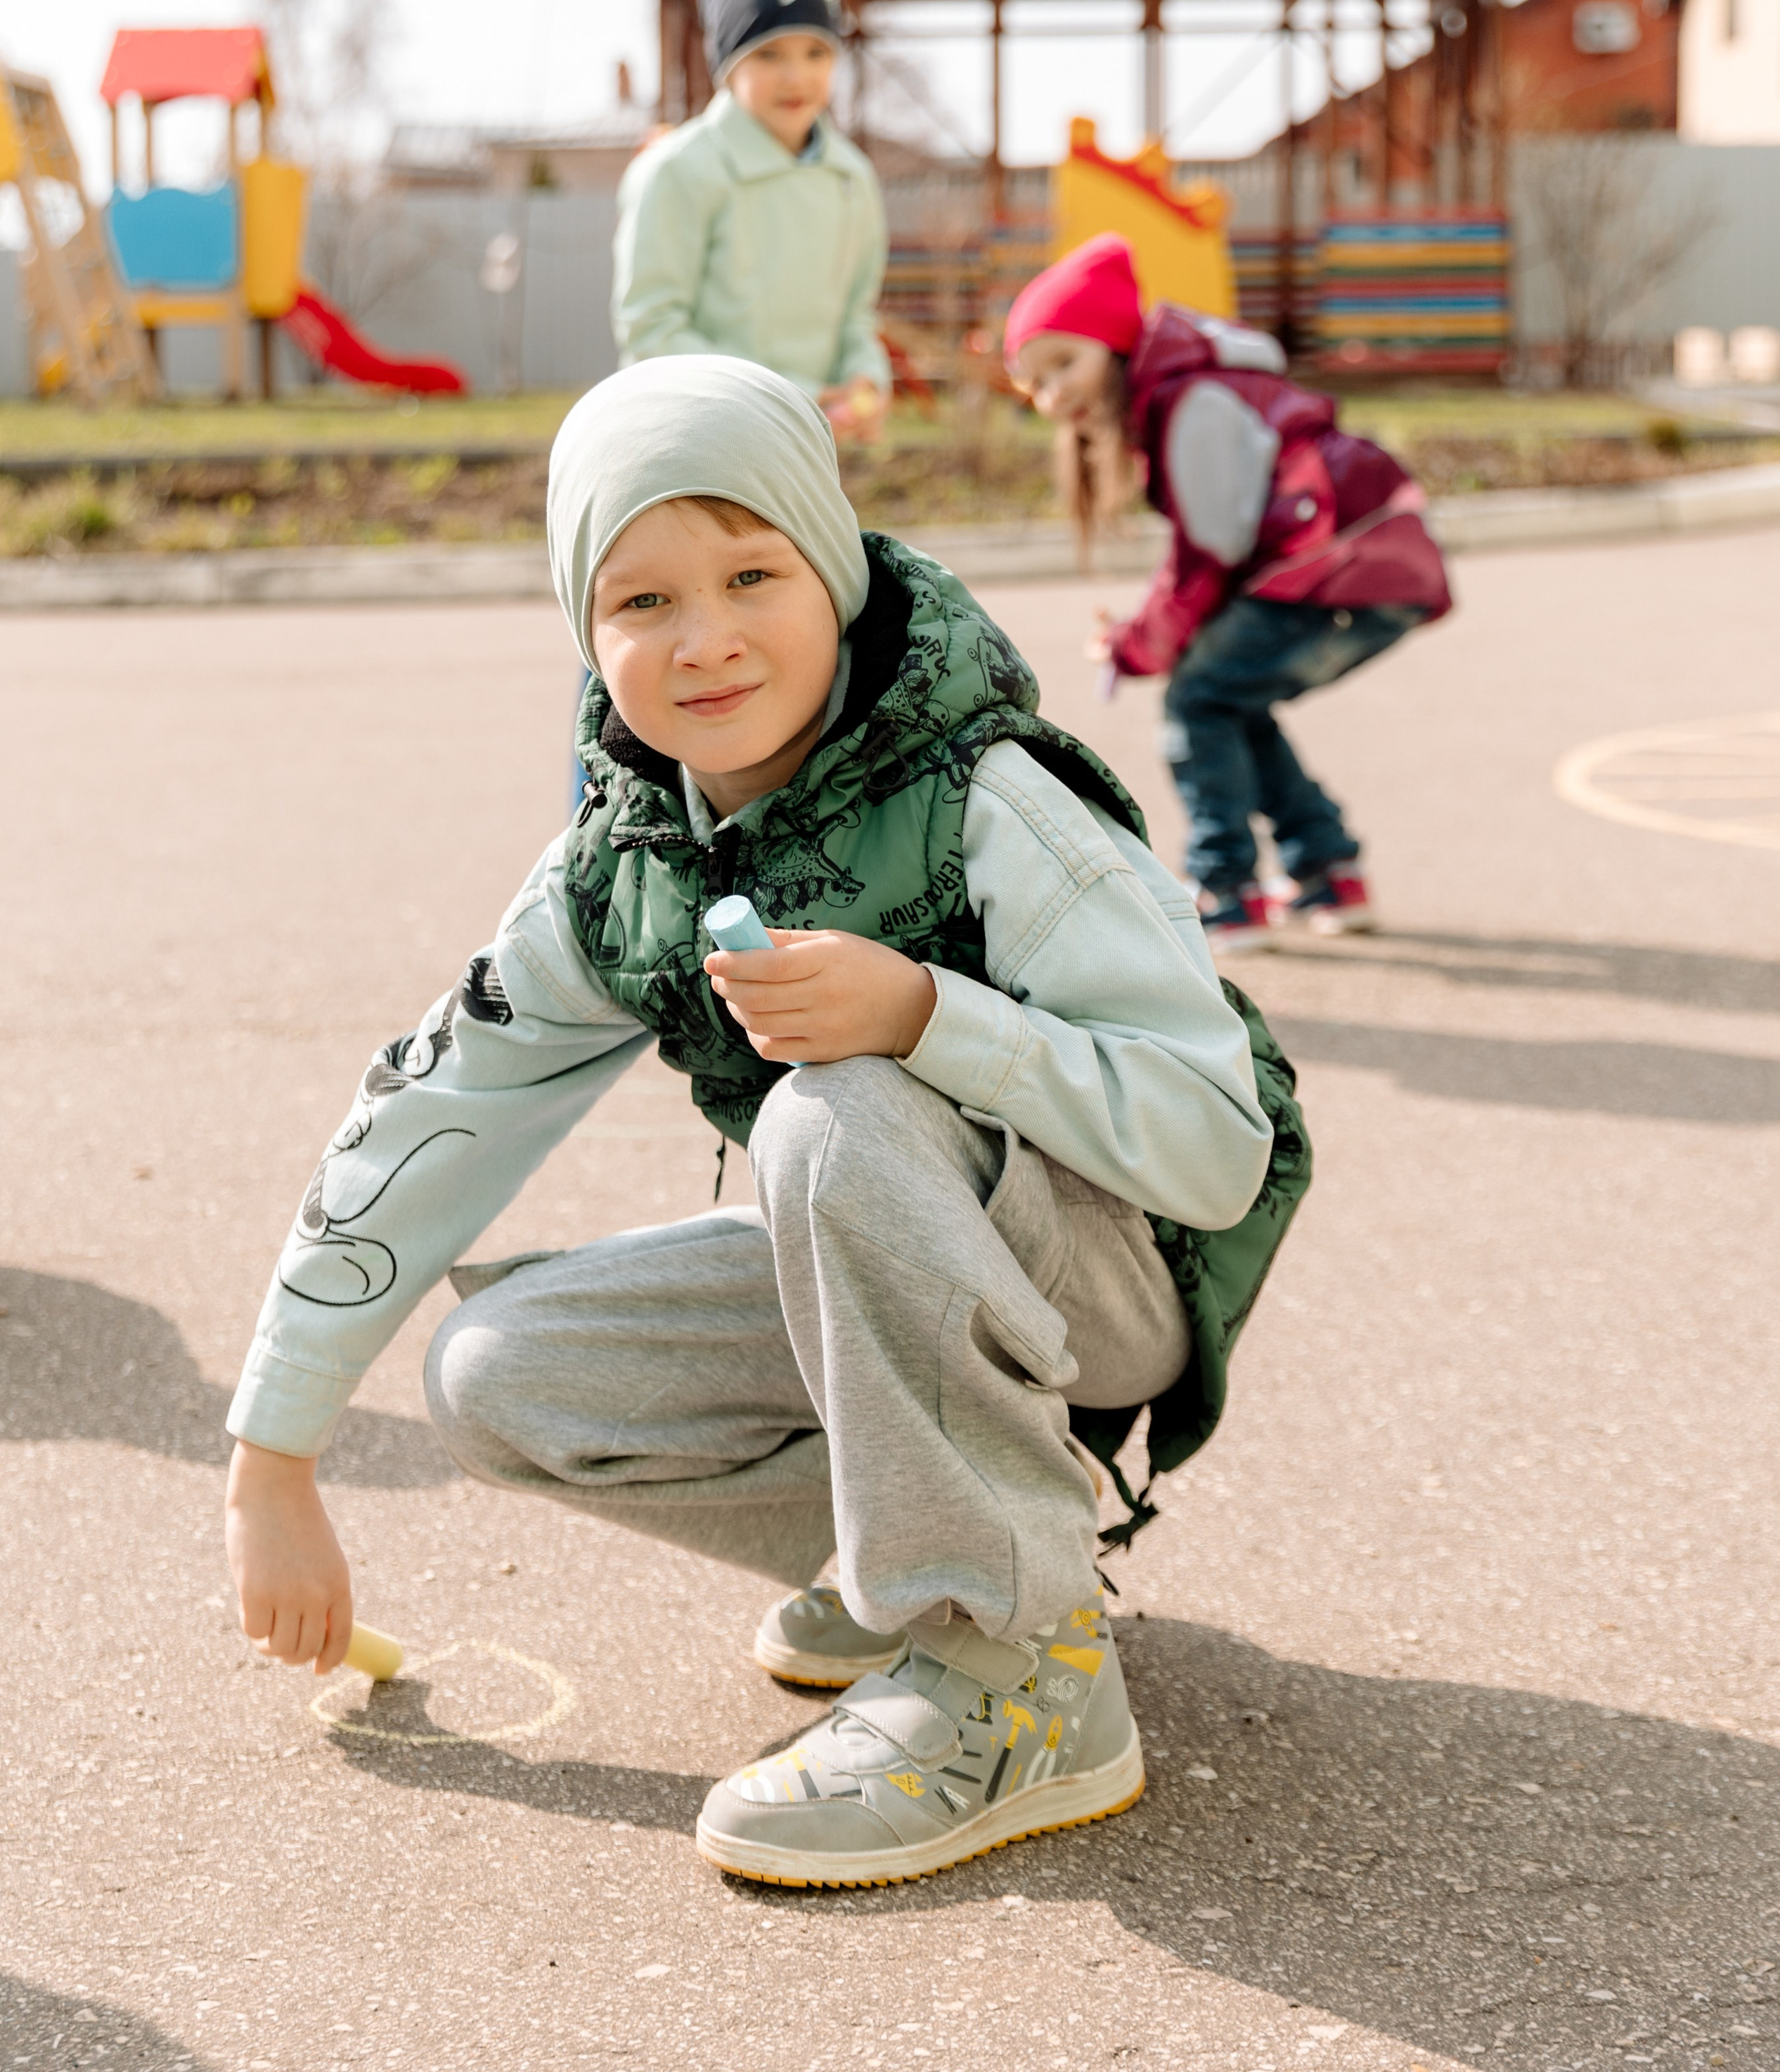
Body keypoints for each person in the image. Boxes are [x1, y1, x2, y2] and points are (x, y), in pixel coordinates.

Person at [224, 354, 1310, 1891]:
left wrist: (929, 1016)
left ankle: (1013, 1671)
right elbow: (428, 1114)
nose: (706, 638)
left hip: (1117, 1276)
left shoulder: (985, 799)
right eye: (641, 602)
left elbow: (1214, 1146)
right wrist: (273, 1456)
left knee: (836, 1112)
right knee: (502, 1372)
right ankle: (953, 1556)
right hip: (908, 1252)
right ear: (584, 633)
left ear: (840, 573)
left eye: (751, 572)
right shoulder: (626, 863)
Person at [1005, 235, 1452, 950]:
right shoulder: (1192, 389)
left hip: (1336, 569)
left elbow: (1210, 550)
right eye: (1034, 382)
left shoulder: (1193, 399)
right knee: (1229, 697)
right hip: (1363, 565)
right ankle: (1328, 871)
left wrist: (1136, 643)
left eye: (1065, 361)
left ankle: (1228, 890)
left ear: (1119, 345)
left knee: (1198, 698)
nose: (1053, 392)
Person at [610, 0, 891, 448]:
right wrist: (793, 398)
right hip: (702, 448)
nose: (796, 77)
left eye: (816, 52)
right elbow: (653, 331)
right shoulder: (677, 171)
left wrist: (864, 377)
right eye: (769, 54)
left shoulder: (852, 178)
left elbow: (857, 313)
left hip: (815, 446)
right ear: (728, 64)